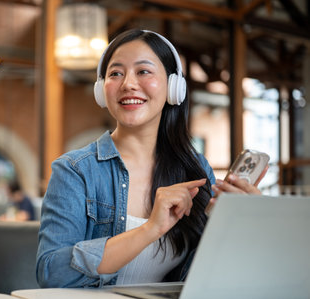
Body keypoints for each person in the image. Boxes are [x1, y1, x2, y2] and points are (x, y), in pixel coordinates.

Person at [36, 29, 267, 288]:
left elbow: (210, 272)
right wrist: (150, 229)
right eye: (116, 73)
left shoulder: (195, 169)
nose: (128, 84)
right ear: (102, 90)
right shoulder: (75, 170)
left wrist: (243, 222)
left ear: (173, 87)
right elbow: (51, 272)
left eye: (143, 71)